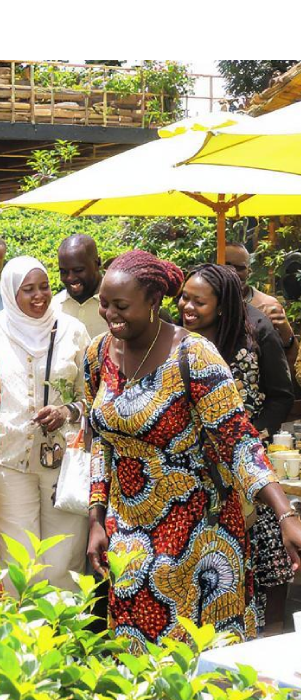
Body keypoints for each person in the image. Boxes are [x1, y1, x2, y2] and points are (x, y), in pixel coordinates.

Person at [85, 250, 301, 651]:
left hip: (200, 534)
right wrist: (96, 517)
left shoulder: (194, 354)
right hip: (126, 535)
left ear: (153, 302)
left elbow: (238, 438)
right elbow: (101, 442)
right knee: (135, 662)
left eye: (120, 305)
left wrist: (285, 512)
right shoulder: (98, 354)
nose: (109, 314)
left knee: (201, 665)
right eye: (104, 303)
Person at [178, 263, 295, 635]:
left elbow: (281, 395)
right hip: (192, 468)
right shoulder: (172, 338)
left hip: (247, 463)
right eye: (183, 298)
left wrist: (255, 433)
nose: (187, 307)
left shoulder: (255, 331)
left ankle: (268, 634)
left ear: (223, 306)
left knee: (266, 562)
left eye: (199, 302)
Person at [0, 256, 91, 590]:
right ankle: (20, 637)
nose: (39, 296)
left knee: (64, 554)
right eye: (28, 289)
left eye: (44, 287)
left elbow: (93, 394)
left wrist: (66, 412)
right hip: (7, 461)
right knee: (16, 557)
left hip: (63, 460)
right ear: (11, 293)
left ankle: (63, 636)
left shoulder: (72, 330)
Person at [225, 242, 298, 377]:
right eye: (226, 264)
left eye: (239, 268)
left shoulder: (267, 306)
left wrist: (286, 333)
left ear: (249, 272)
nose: (232, 271)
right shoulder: (204, 303)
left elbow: (290, 363)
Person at [51, 234, 108, 339]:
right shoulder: (53, 308)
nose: (70, 278)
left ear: (97, 263)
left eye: (78, 270)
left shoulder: (116, 305)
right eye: (64, 272)